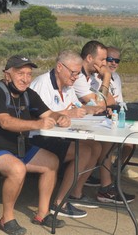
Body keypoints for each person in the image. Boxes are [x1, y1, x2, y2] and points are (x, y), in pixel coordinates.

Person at [0, 55, 69, 235]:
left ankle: (42, 213)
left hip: (17, 146)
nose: (25, 79)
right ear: (7, 74)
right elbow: (5, 123)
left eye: (29, 74)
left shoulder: (28, 94)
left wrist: (59, 117)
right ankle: (6, 219)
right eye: (20, 73)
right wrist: (37, 124)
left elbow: (48, 113)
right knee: (17, 169)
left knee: (52, 162)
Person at [30, 50, 103, 218]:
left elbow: (75, 106)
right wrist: (67, 114)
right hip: (37, 137)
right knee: (83, 151)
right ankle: (59, 203)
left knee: (96, 146)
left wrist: (91, 109)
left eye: (78, 73)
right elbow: (39, 115)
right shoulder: (42, 84)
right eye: (73, 73)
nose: (75, 77)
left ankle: (75, 193)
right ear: (59, 67)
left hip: (58, 135)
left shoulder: (67, 86)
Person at [73, 40, 135, 204]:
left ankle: (104, 184)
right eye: (104, 60)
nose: (107, 64)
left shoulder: (91, 76)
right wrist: (107, 77)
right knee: (102, 143)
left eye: (114, 60)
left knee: (109, 142)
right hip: (76, 127)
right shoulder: (80, 77)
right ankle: (103, 187)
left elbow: (108, 101)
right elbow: (101, 103)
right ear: (89, 58)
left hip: (87, 123)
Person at [103, 46, 138, 179]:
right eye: (110, 59)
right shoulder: (96, 78)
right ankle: (104, 174)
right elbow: (105, 101)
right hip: (104, 119)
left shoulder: (116, 77)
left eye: (117, 61)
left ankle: (118, 167)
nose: (114, 63)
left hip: (116, 115)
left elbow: (119, 102)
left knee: (131, 142)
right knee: (108, 143)